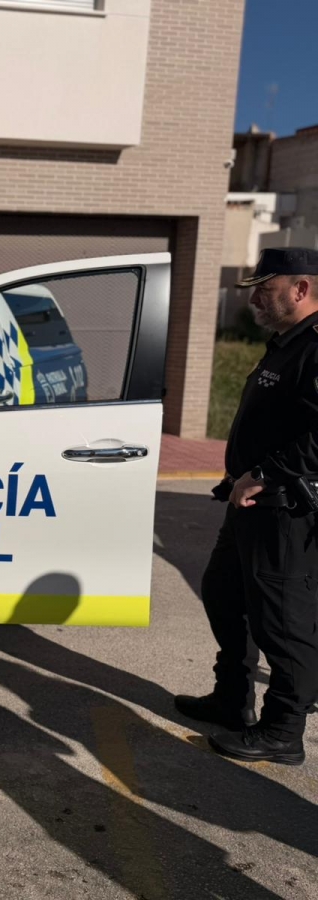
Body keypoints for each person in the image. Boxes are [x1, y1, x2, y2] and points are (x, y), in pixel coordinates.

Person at [174, 247, 318, 765]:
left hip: (285, 509)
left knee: (284, 621)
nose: (255, 295)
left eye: (266, 285)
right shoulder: (286, 343)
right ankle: (232, 699)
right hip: (249, 503)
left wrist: (267, 472)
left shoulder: (315, 346)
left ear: (301, 289)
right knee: (222, 593)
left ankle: (283, 732)